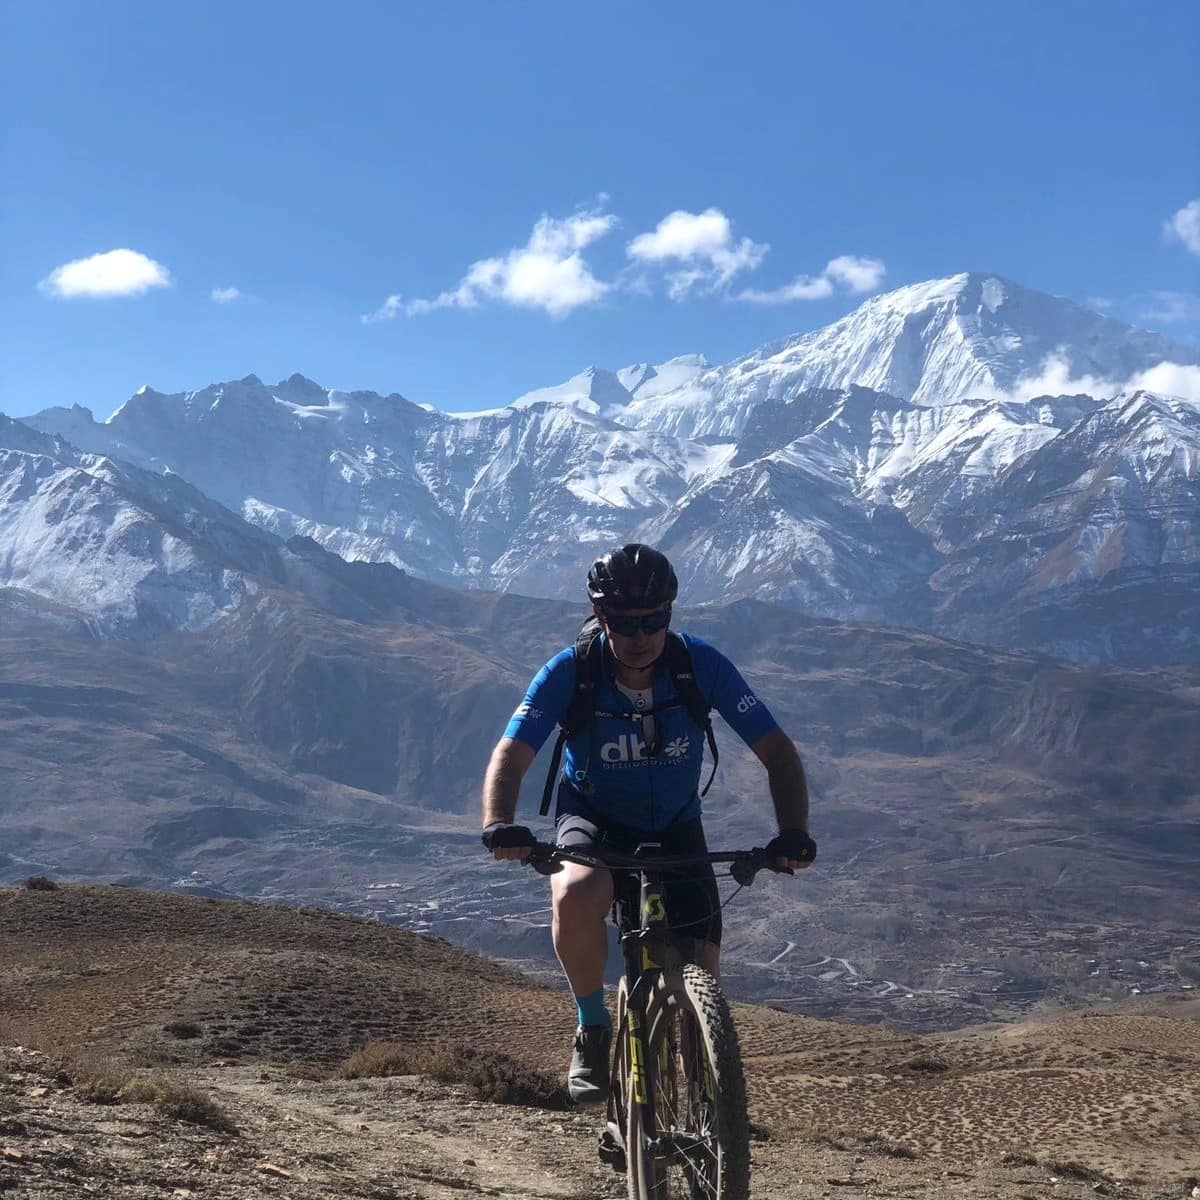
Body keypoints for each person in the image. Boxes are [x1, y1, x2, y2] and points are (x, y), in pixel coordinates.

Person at [480, 543, 815, 1104]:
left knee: (701, 987)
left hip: (676, 825)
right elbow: (511, 755)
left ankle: (708, 1117)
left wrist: (793, 832)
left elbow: (778, 752)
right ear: (600, 617)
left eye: (653, 621)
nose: (640, 635)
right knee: (577, 892)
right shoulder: (571, 672)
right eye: (624, 622)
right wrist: (499, 823)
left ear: (669, 614)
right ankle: (592, 1026)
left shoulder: (699, 666)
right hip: (594, 818)